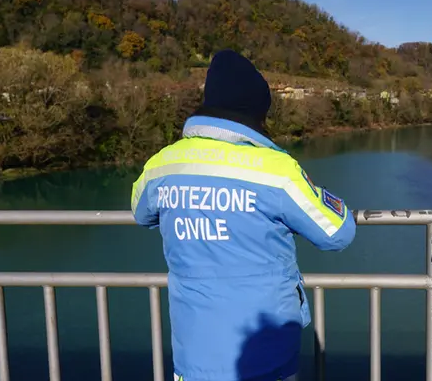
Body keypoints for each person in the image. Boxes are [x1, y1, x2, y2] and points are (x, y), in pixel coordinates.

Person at [131, 49, 356, 381]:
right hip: (264, 359)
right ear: (255, 113)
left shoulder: (163, 164)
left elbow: (140, 212)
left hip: (193, 356)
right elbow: (337, 232)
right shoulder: (275, 170)